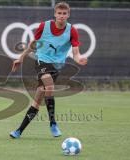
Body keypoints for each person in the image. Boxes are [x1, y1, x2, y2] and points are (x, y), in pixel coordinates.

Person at [10, 1, 87, 138]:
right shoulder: (44, 26)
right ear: (55, 14)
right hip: (42, 60)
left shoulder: (72, 30)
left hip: (57, 66)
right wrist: (21, 58)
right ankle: (53, 123)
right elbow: (33, 45)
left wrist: (79, 59)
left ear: (68, 15)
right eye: (59, 13)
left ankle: (18, 131)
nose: (62, 16)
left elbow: (75, 53)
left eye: (64, 13)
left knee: (39, 96)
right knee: (48, 84)